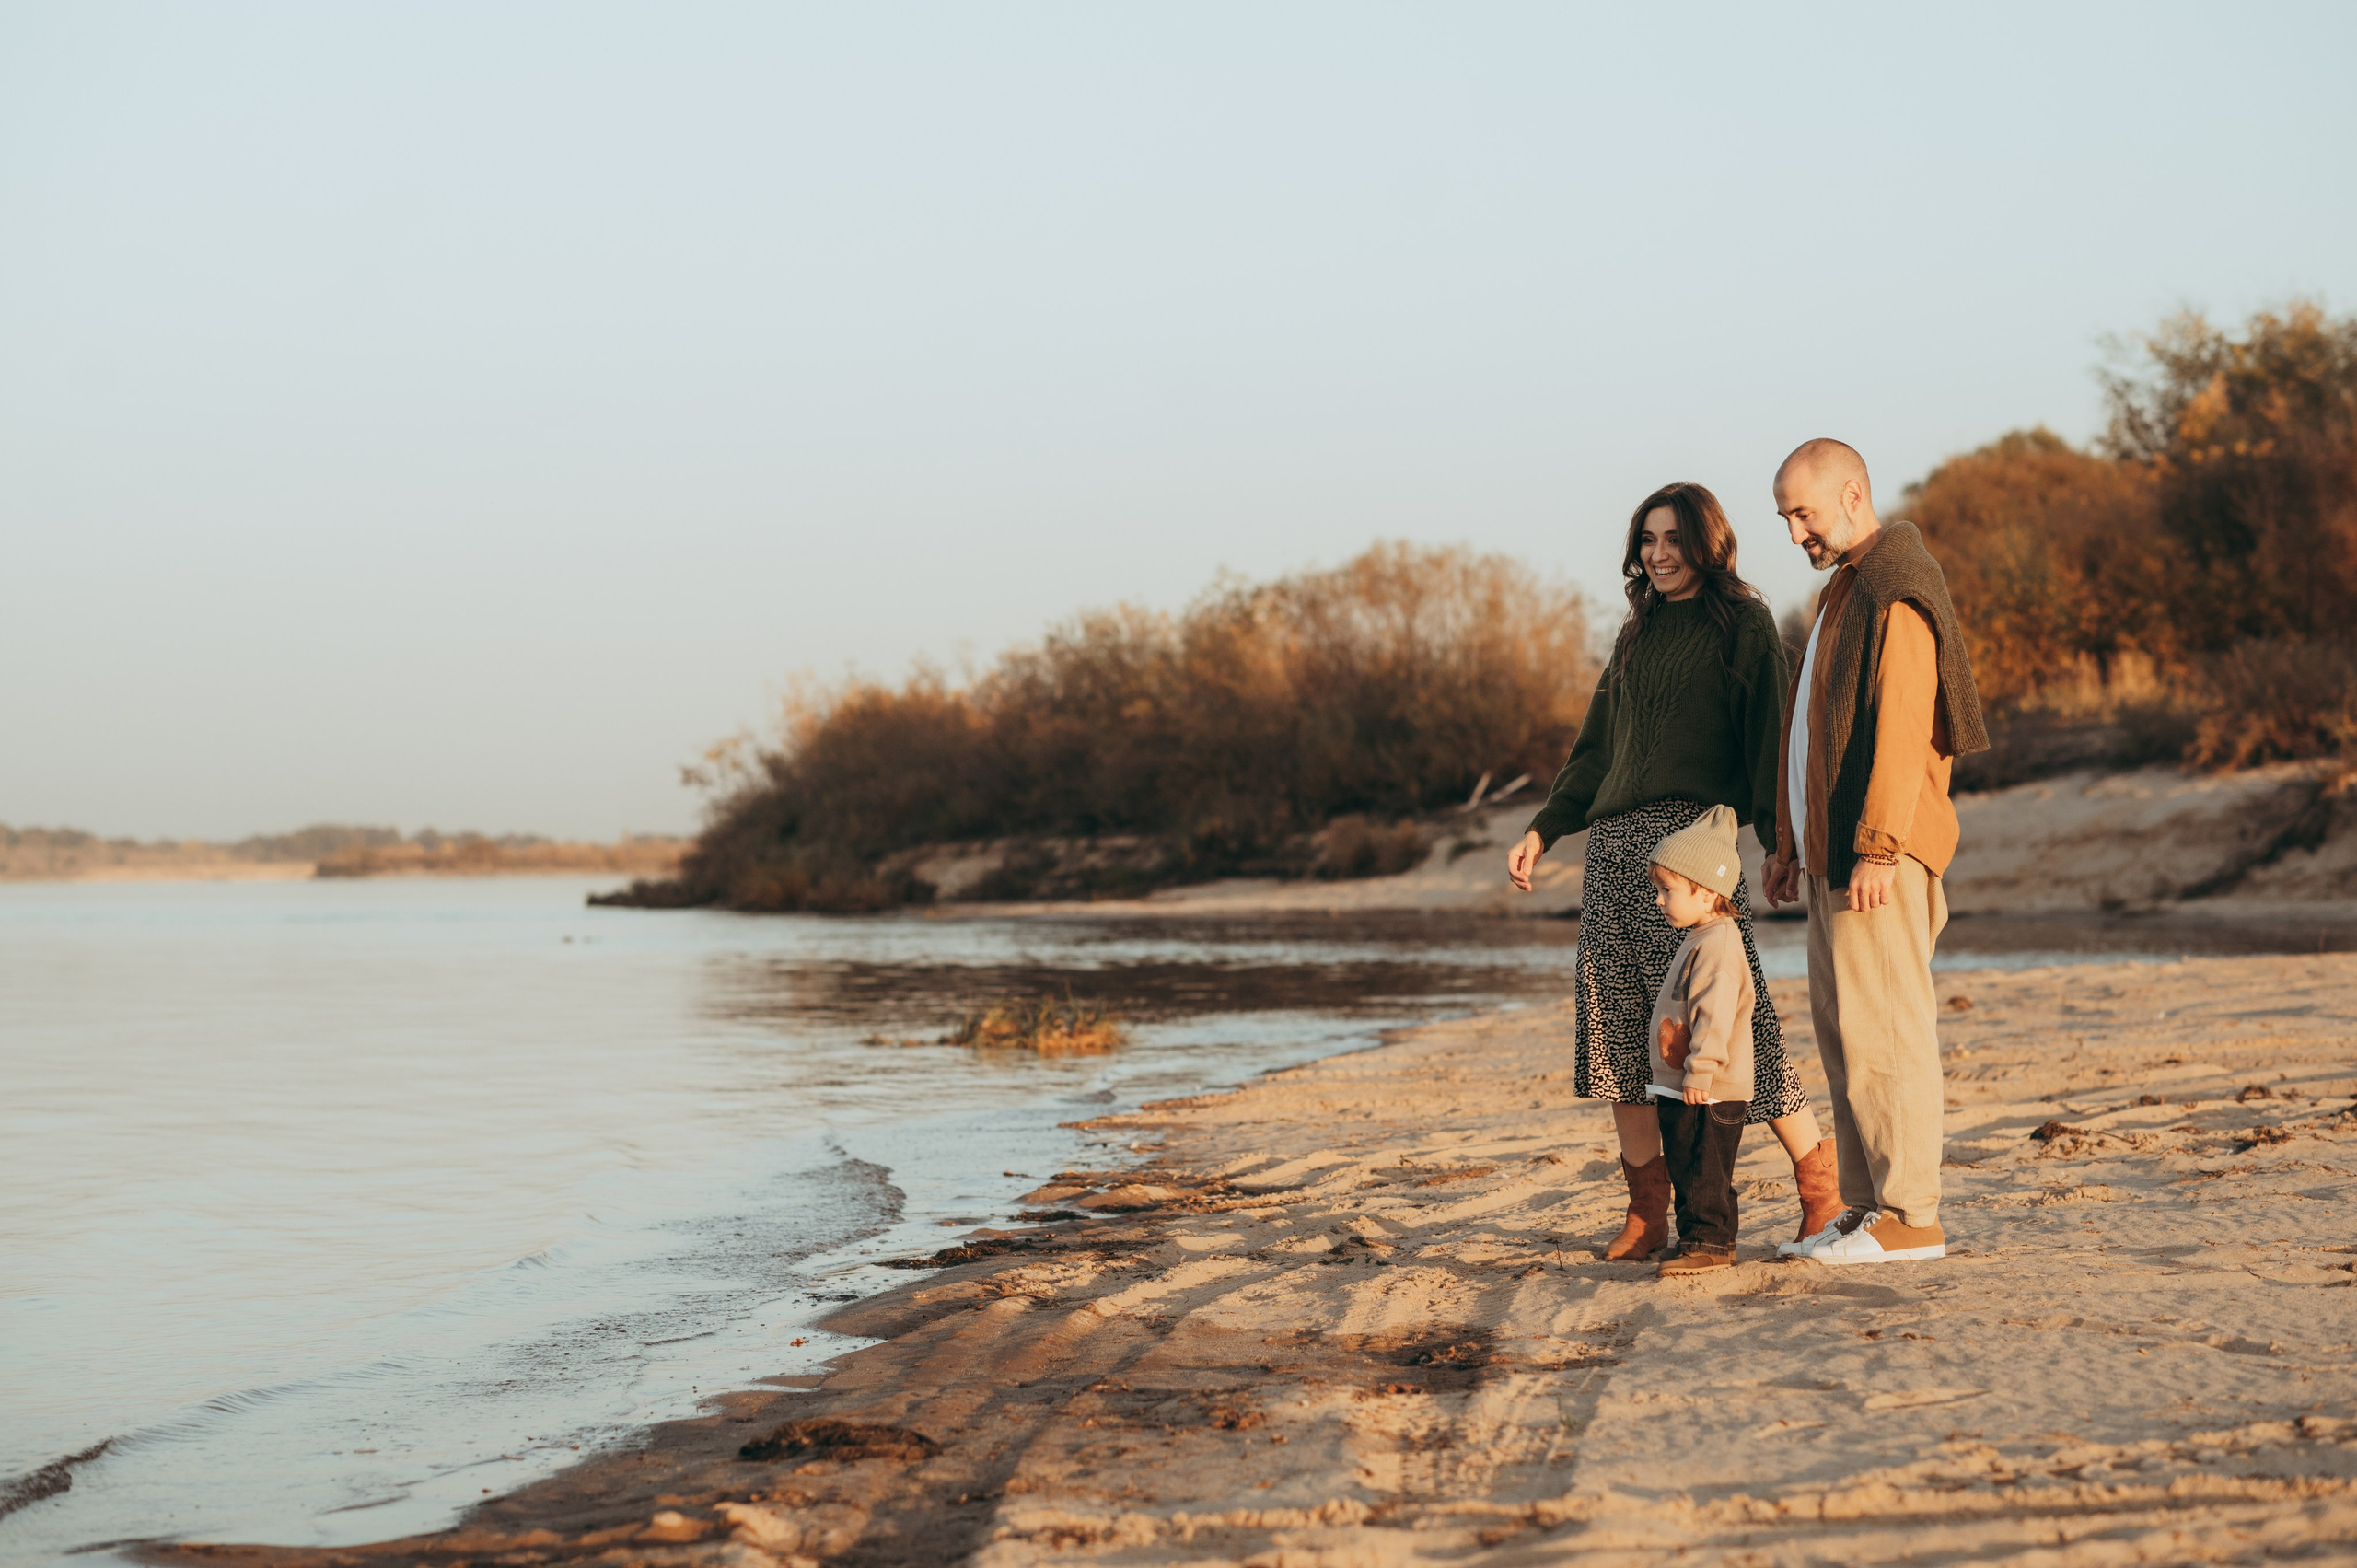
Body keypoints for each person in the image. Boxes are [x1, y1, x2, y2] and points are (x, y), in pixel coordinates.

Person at [1508, 482, 1840, 1262]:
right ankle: (1646, 1210)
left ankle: (1820, 1187)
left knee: (1730, 1023)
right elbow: (1596, 749)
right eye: (1647, 540)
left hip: (1695, 853)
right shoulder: (1636, 633)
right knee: (1619, 1031)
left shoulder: (1744, 625)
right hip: (1613, 855)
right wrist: (1543, 826)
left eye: (1672, 539)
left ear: (1706, 543)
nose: (1658, 554)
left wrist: (1781, 844)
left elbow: (1769, 740)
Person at [1761, 439, 1988, 1267]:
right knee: (1846, 1033)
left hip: (1875, 855)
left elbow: (1902, 725)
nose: (1795, 533)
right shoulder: (1845, 592)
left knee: (1887, 1030)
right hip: (1834, 852)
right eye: (1785, 517)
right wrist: (1788, 842)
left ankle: (1912, 1217)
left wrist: (1881, 848)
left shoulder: (1898, 584)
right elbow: (1812, 729)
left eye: (1803, 513)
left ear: (1853, 495)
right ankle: (1866, 1209)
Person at [1642, 807, 1756, 1277]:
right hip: (1686, 1084)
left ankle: (1711, 1242)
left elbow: (1714, 1015)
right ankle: (1694, 1237)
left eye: (1667, 890)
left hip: (1710, 1089)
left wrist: (1701, 1071)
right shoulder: (1699, 936)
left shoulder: (1719, 946)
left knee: (1706, 1167)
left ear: (1707, 892)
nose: (1659, 901)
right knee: (1685, 1165)